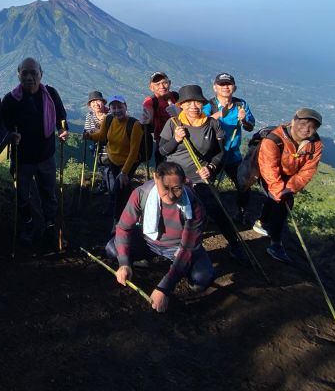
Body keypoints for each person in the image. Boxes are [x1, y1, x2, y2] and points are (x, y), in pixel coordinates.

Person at [106, 162, 212, 313]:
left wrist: (164, 288)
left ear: (184, 183)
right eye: (165, 188)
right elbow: (123, 228)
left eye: (176, 189)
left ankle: (177, 269)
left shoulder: (193, 205)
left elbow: (188, 248)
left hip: (178, 246)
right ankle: (141, 262)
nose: (170, 195)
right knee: (112, 249)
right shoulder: (142, 193)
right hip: (148, 240)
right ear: (156, 178)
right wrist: (124, 263)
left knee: (202, 279)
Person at [158, 85, 247, 264]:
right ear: (181, 105)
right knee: (168, 210)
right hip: (174, 177)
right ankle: (163, 245)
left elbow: (220, 153)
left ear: (203, 104)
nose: (193, 106)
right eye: (188, 102)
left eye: (197, 102)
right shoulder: (174, 123)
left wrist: (211, 167)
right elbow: (162, 150)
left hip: (201, 176)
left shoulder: (212, 124)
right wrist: (175, 139)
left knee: (215, 208)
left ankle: (235, 245)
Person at [0, 57, 68, 248]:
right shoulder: (11, 100)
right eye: (25, 73)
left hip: (46, 155)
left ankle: (50, 225)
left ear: (41, 74)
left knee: (49, 193)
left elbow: (61, 117)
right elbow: (1, 125)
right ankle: (27, 226)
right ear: (18, 75)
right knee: (23, 195)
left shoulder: (51, 94)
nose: (29, 77)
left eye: (33, 73)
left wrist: (62, 130)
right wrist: (10, 135)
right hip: (22, 158)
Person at [253, 108, 324, 264]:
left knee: (281, 199)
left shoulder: (315, 145)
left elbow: (308, 170)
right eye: (303, 123)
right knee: (282, 203)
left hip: (291, 177)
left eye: (312, 126)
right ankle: (276, 244)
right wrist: (281, 191)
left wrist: (290, 188)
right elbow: (268, 168)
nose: (306, 129)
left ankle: (262, 221)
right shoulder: (273, 140)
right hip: (267, 174)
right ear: (293, 121)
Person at [203, 73, 256, 225]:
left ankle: (241, 212)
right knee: (207, 185)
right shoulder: (209, 105)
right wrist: (220, 114)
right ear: (215, 88)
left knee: (243, 184)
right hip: (213, 154)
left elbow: (250, 126)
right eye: (221, 84)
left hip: (233, 154)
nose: (225, 87)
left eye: (228, 84)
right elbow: (202, 125)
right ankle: (205, 214)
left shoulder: (241, 104)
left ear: (234, 87)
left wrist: (244, 119)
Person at [83, 95, 144, 225]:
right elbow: (102, 135)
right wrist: (90, 136)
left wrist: (124, 173)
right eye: (114, 107)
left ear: (125, 107)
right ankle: (136, 210)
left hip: (128, 162)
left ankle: (117, 222)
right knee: (123, 189)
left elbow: (134, 152)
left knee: (118, 190)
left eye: (120, 107)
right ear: (109, 109)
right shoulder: (109, 119)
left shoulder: (135, 125)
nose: (117, 110)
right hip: (113, 160)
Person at [139, 71, 180, 166]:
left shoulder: (177, 97)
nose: (162, 86)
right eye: (157, 84)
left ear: (169, 83)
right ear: (151, 87)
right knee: (163, 168)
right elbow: (148, 113)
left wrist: (179, 111)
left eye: (164, 83)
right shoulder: (151, 101)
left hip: (182, 136)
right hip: (163, 141)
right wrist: (146, 118)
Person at [83, 90, 109, 191]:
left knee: (109, 166)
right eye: (93, 102)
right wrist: (91, 133)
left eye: (98, 101)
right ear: (90, 105)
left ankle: (108, 183)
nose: (96, 104)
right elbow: (87, 131)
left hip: (111, 144)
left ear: (103, 102)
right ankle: (105, 183)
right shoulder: (90, 115)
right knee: (101, 164)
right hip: (97, 144)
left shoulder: (110, 113)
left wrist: (95, 131)